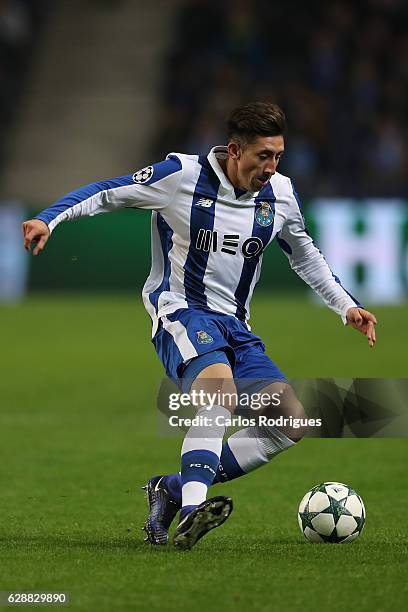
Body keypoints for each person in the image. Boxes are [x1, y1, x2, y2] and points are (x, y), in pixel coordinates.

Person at [22, 102, 377, 550]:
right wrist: (48, 218)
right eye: (263, 156)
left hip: (236, 325)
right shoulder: (180, 177)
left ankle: (172, 488)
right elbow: (108, 192)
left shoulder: (281, 194)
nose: (271, 167)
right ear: (233, 150)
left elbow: (303, 253)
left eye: (278, 156)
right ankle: (193, 509)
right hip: (181, 311)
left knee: (288, 424)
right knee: (219, 393)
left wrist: (346, 307)